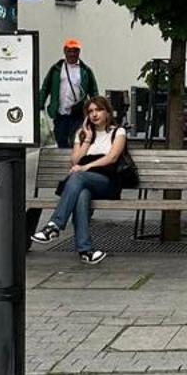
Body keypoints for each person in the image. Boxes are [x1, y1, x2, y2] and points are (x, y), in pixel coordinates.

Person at [31, 95, 132, 266]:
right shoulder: (83, 133)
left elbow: (112, 157)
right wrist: (87, 139)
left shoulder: (118, 132)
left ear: (107, 112)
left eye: (98, 110)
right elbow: (75, 161)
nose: (94, 114)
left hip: (107, 182)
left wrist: (86, 168)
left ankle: (55, 225)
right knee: (82, 195)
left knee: (77, 176)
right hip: (83, 183)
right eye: (90, 111)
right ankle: (86, 251)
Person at [40, 38, 98, 149]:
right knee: (60, 139)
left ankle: (75, 162)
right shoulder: (56, 69)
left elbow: (93, 92)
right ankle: (64, 164)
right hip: (60, 112)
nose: (72, 54)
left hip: (78, 112)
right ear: (65, 51)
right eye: (69, 50)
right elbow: (45, 87)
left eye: (75, 51)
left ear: (79, 52)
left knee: (76, 140)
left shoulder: (85, 70)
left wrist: (95, 110)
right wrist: (39, 105)